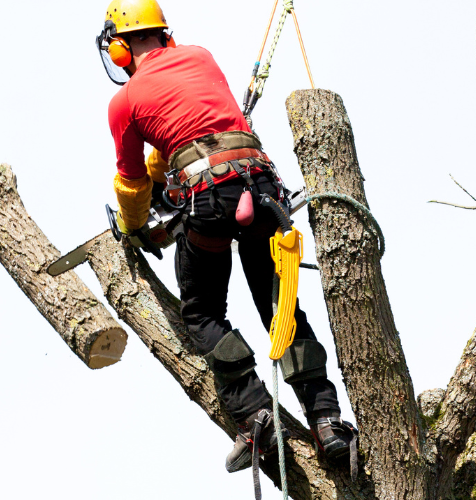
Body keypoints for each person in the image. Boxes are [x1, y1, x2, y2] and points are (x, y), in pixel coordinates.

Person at [96, 0, 355, 474]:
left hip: (210, 201)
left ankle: (254, 412)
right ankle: (326, 421)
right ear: (163, 35)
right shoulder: (199, 56)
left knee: (202, 312)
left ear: (118, 48)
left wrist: (136, 228)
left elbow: (133, 180)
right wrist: (166, 180)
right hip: (260, 189)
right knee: (281, 307)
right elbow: (183, 136)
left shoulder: (125, 102)